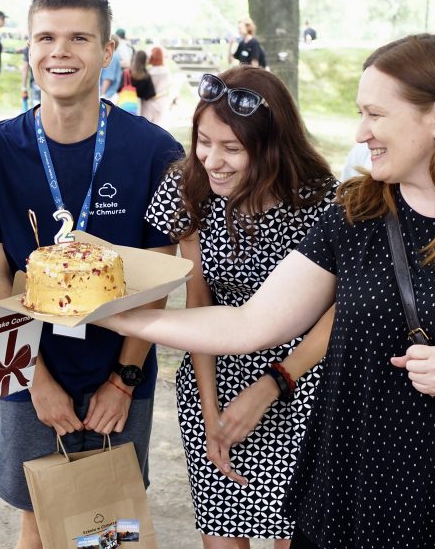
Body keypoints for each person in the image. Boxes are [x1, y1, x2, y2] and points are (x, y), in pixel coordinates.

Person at [100, 34, 435, 549]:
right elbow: (248, 323)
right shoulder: (356, 213)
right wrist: (115, 316)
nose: (361, 132)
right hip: (349, 490)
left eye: (375, 114)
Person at [0, 0, 185, 549]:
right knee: (38, 519)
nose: (60, 51)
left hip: (119, 373)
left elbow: (159, 278)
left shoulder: (154, 151)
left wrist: (124, 379)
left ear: (108, 51)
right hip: (29, 370)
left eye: (79, 38)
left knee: (109, 527)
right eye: (46, 37)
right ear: (29, 49)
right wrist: (35, 379)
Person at [144, 66, 338, 548]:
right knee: (222, 530)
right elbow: (197, 300)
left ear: (273, 146)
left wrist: (274, 384)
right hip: (214, 374)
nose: (213, 161)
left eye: (232, 149)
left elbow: (337, 314)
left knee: (295, 532)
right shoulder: (187, 187)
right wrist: (210, 411)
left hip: (303, 381)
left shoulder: (320, 201)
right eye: (204, 142)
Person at [142, 46, 171, 126]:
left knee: (146, 126)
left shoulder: (148, 72)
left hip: (148, 102)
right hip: (161, 101)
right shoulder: (166, 71)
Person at [99, 33, 122, 102]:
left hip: (107, 95)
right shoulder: (116, 55)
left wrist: (101, 95)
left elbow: (108, 78)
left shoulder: (112, 57)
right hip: (109, 94)